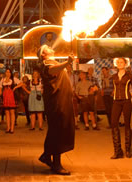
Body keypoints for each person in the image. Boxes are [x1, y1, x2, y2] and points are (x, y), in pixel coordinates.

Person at [37, 44, 75, 176]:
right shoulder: (45, 64)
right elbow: (53, 70)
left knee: (57, 130)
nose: (50, 47)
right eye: (46, 48)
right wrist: (67, 62)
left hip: (62, 100)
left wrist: (67, 63)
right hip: (56, 102)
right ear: (43, 54)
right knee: (58, 130)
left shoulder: (54, 62)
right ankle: (57, 165)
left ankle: (47, 155)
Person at [111, 57, 132, 159]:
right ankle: (117, 151)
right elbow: (113, 88)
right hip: (116, 102)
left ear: (125, 64)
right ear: (116, 64)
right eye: (118, 62)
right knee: (114, 123)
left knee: (128, 124)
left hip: (126, 102)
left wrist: (130, 95)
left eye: (121, 62)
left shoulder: (129, 75)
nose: (119, 63)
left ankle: (127, 150)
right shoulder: (113, 76)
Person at [0, 68, 20, 133]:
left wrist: (15, 87)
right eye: (6, 72)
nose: (7, 73)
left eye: (9, 72)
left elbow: (21, 83)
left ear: (11, 73)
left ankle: (12, 128)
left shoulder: (13, 79)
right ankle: (8, 128)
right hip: (5, 97)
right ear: (5, 73)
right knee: (7, 113)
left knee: (12, 112)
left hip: (11, 97)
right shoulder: (3, 79)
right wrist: (1, 95)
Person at [67, 64, 80, 130]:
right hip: (65, 94)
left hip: (73, 93)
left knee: (75, 109)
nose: (68, 68)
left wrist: (75, 92)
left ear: (71, 68)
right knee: (66, 109)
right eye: (67, 67)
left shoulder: (75, 76)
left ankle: (75, 123)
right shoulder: (63, 76)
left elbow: (77, 85)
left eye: (69, 67)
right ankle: (68, 123)